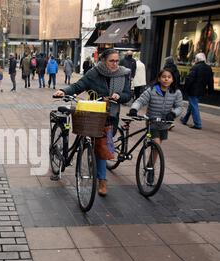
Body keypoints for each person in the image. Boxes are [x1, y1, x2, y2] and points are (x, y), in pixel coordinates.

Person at [53, 48, 132, 196]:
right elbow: (78, 86)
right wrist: (64, 91)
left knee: (101, 147)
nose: (115, 64)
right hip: (94, 114)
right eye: (111, 61)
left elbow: (128, 95)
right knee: (101, 147)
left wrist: (119, 96)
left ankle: (97, 169)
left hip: (111, 116)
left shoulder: (124, 74)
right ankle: (102, 180)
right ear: (103, 60)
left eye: (117, 61)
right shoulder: (94, 73)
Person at [127, 69, 183, 185]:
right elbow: (140, 101)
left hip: (164, 124)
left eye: (169, 77)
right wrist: (134, 109)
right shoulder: (152, 90)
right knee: (156, 144)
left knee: (155, 149)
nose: (166, 79)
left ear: (172, 79)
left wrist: (173, 113)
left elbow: (179, 107)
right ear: (159, 78)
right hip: (152, 122)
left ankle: (150, 166)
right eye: (163, 77)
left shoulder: (176, 92)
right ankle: (151, 170)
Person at [181, 53, 214, 130]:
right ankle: (185, 119)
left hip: (193, 91)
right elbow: (210, 81)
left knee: (194, 106)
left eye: (195, 58)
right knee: (192, 105)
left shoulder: (195, 67)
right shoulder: (208, 68)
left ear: (197, 59)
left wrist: (185, 88)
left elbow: (189, 79)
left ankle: (198, 124)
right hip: (201, 91)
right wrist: (210, 91)